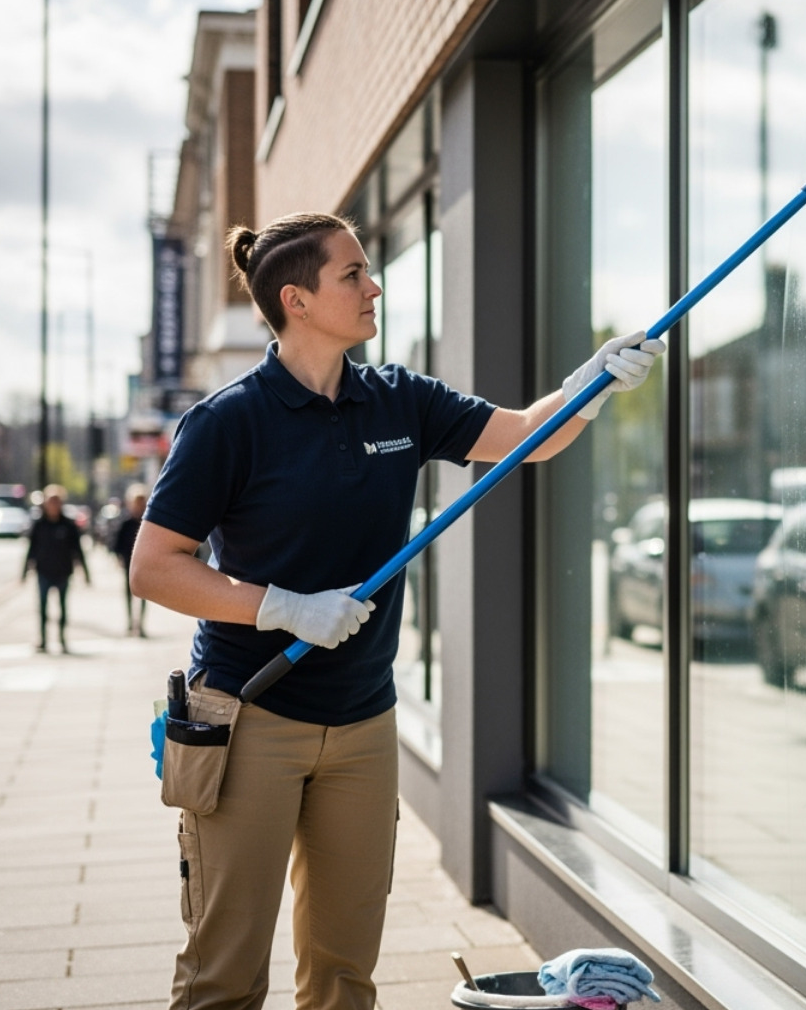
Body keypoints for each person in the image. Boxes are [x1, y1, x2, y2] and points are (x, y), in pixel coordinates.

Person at [130, 212, 665, 1010]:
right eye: (352, 274)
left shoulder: (398, 400)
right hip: (248, 717)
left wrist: (589, 385)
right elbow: (154, 567)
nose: (373, 285)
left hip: (362, 725)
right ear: (297, 299)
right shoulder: (229, 423)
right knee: (224, 973)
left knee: (345, 973)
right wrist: (283, 607)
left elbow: (523, 435)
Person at [22, 484, 91, 654]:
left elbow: (78, 550)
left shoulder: (68, 525)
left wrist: (86, 572)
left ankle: (62, 639)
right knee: (43, 609)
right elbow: (31, 549)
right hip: (43, 572)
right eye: (50, 501)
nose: (53, 505)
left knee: (62, 608)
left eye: (56, 501)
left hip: (63, 572)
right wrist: (24, 571)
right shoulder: (39, 525)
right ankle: (43, 640)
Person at [114, 484, 149, 637]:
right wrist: (119, 558)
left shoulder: (148, 523)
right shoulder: (125, 523)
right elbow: (117, 544)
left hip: (146, 566)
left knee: (144, 596)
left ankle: (140, 624)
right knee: (128, 594)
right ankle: (130, 623)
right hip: (129, 564)